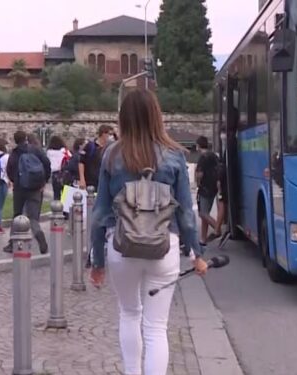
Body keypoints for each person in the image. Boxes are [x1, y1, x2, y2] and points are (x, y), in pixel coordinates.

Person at [89, 89, 208, 375]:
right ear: (157, 116)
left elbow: (99, 215)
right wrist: (197, 254)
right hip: (164, 247)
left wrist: (97, 263)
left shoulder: (111, 155)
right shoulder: (175, 155)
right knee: (156, 327)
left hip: (121, 247)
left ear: (123, 119)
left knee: (129, 314)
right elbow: (186, 215)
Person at [3, 130, 52, 253]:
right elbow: (47, 163)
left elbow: (9, 170)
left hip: (20, 189)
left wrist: (15, 181)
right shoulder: (36, 150)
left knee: (18, 216)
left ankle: (12, 243)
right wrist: (44, 181)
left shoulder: (15, 153)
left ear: (15, 140)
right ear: (25, 138)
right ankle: (40, 236)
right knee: (33, 217)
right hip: (36, 187)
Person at [194, 136, 221, 245]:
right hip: (214, 187)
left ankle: (217, 228)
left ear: (198, 145)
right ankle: (203, 239)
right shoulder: (214, 156)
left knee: (202, 213)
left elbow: (200, 174)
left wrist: (198, 183)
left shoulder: (202, 157)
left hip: (204, 188)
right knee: (206, 212)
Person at [79, 124, 115, 191]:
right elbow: (81, 162)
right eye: (110, 134)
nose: (112, 137)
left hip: (105, 182)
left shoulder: (111, 148)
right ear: (103, 134)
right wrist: (82, 179)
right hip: (91, 181)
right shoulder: (90, 146)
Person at [47, 135, 72, 201]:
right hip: (65, 174)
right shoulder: (64, 151)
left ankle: (56, 209)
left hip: (55, 175)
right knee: (66, 196)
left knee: (56, 195)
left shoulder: (49, 152)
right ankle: (65, 210)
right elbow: (70, 159)